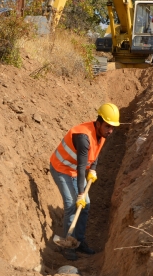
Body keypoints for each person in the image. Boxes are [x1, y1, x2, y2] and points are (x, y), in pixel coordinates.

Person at [49, 103, 119, 261]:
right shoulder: (83, 137)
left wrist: (93, 168)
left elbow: (96, 153)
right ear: (99, 123)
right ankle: (68, 245)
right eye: (108, 126)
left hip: (73, 170)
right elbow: (82, 168)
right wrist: (81, 193)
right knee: (71, 204)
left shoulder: (102, 133)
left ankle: (78, 241)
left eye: (113, 127)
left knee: (85, 205)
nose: (111, 131)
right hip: (61, 168)